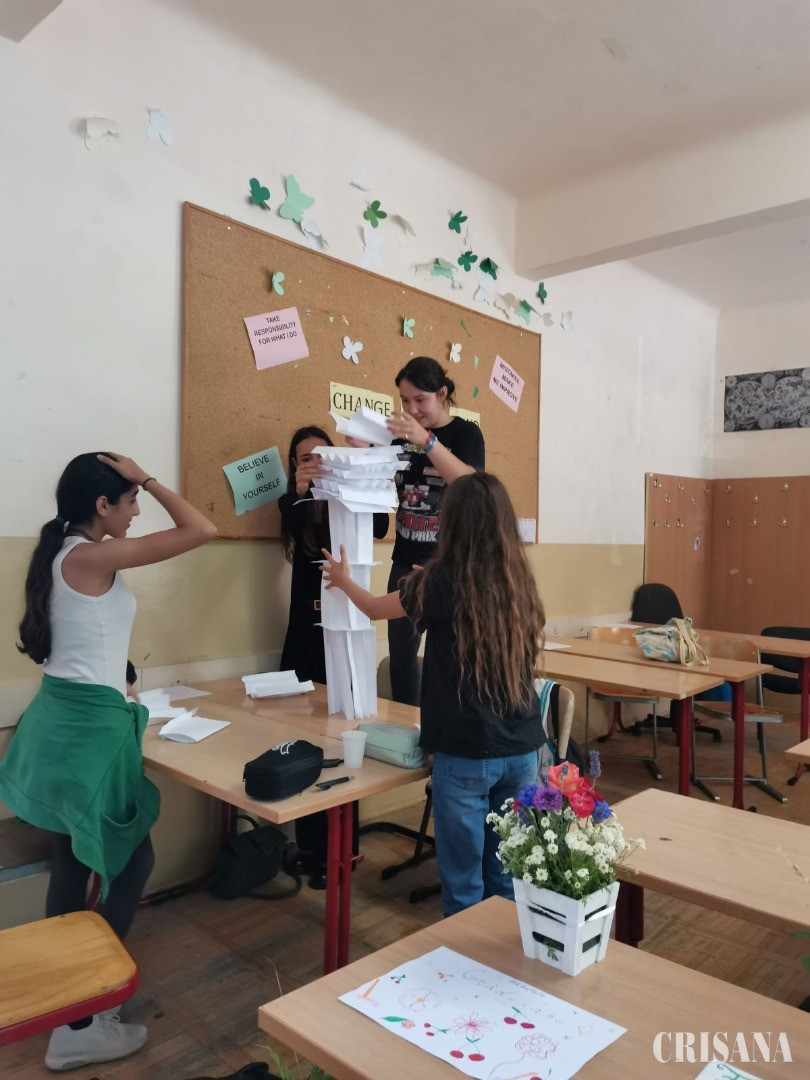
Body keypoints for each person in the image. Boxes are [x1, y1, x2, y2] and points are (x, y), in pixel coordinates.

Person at [0, 452, 216, 1071]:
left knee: (74, 864)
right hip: (87, 735)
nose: (138, 509)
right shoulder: (89, 557)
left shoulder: (65, 554)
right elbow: (201, 529)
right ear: (102, 506)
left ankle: (70, 1012)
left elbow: (86, 641)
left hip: (68, 725)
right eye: (130, 500)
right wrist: (147, 474)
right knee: (130, 859)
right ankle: (84, 1013)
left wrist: (122, 683)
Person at [321, 471, 544, 917]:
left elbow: (374, 608)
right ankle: (502, 959)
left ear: (452, 523)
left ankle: (462, 960)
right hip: (523, 751)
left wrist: (343, 580)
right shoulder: (518, 580)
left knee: (463, 888)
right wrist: (426, 584)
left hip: (466, 753)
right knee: (505, 879)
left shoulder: (440, 583)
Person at [278, 426, 387, 887]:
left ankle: (342, 851)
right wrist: (302, 491)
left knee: (345, 736)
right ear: (294, 466)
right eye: (304, 459)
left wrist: (357, 478)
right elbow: (293, 525)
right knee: (301, 736)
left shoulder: (349, 495)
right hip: (304, 630)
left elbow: (379, 527)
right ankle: (309, 848)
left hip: (345, 630)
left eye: (320, 456)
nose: (314, 464)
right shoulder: (293, 501)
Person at [385, 357, 485, 706]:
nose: (411, 409)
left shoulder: (465, 433)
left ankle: (448, 730)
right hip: (405, 562)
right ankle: (405, 727)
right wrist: (363, 452)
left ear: (442, 394)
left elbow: (471, 484)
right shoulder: (398, 438)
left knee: (452, 656)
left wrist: (427, 441)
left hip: (453, 567)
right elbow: (379, 483)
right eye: (404, 400)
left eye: (420, 400)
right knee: (402, 656)